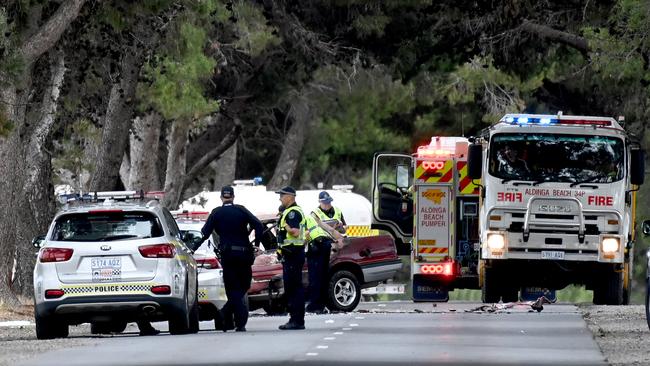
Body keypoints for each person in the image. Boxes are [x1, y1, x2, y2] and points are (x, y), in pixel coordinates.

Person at [198, 185, 263, 332]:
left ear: (221, 197)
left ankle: (226, 314)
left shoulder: (216, 213)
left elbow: (204, 233)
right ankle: (237, 323)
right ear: (233, 197)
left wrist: (193, 248)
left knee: (232, 289)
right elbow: (258, 225)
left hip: (227, 256)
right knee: (244, 286)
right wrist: (257, 244)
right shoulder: (241, 210)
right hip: (244, 255)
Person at [305, 191, 344, 314]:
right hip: (316, 245)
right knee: (316, 277)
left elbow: (343, 228)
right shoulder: (314, 214)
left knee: (323, 277)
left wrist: (340, 228)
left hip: (328, 246)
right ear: (320, 202)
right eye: (325, 202)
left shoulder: (337, 211)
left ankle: (321, 305)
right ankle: (315, 305)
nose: (327, 205)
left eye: (329, 202)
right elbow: (311, 230)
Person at [275, 186, 307, 330]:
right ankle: (295, 318)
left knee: (294, 287)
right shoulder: (289, 212)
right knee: (292, 287)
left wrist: (286, 225)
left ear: (290, 196)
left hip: (293, 253)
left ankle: (297, 320)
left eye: (282, 195)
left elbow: (295, 232)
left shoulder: (293, 213)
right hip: (291, 254)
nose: (280, 198)